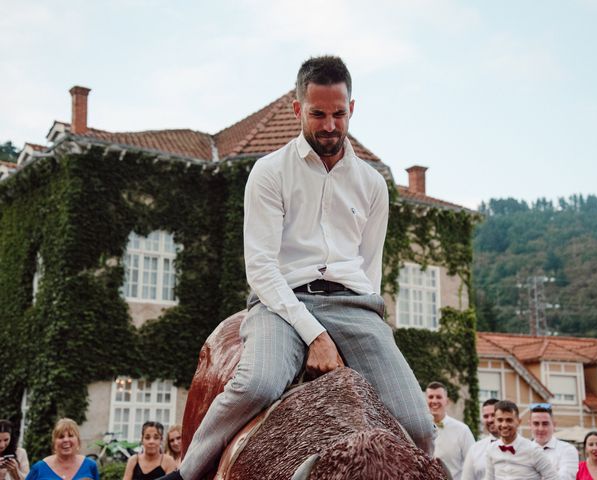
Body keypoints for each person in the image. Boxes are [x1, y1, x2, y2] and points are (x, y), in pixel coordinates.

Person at [158, 55, 435, 480]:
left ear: (352, 109)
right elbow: (262, 268)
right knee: (257, 385)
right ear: (297, 109)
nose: (330, 125)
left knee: (418, 425)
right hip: (281, 304)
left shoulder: (373, 184)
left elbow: (369, 266)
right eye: (318, 113)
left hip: (354, 307)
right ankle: (184, 474)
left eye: (339, 114)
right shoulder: (269, 172)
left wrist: (371, 327)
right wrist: (316, 335)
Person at [485, 400, 557, 480]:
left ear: (518, 422)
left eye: (509, 420)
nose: (504, 425)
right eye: (500, 420)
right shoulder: (491, 450)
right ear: (495, 421)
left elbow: (552, 477)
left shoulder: (533, 450)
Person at [426, 381, 474, 480]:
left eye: (438, 397)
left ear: (446, 401)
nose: (434, 401)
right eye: (431, 397)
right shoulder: (419, 430)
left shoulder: (462, 430)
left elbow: (473, 465)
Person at [25, 418, 98, 480]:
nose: (66, 440)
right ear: (54, 443)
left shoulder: (90, 466)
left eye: (70, 436)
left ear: (78, 441)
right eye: (61, 437)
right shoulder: (39, 468)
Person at [528, 403, 578, 480]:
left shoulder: (567, 450)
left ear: (554, 425)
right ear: (530, 425)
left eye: (545, 424)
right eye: (536, 424)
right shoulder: (522, 451)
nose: (540, 429)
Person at [460, 398, 499, 480]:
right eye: (486, 416)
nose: (490, 420)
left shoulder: (519, 447)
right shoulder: (475, 449)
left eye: (493, 415)